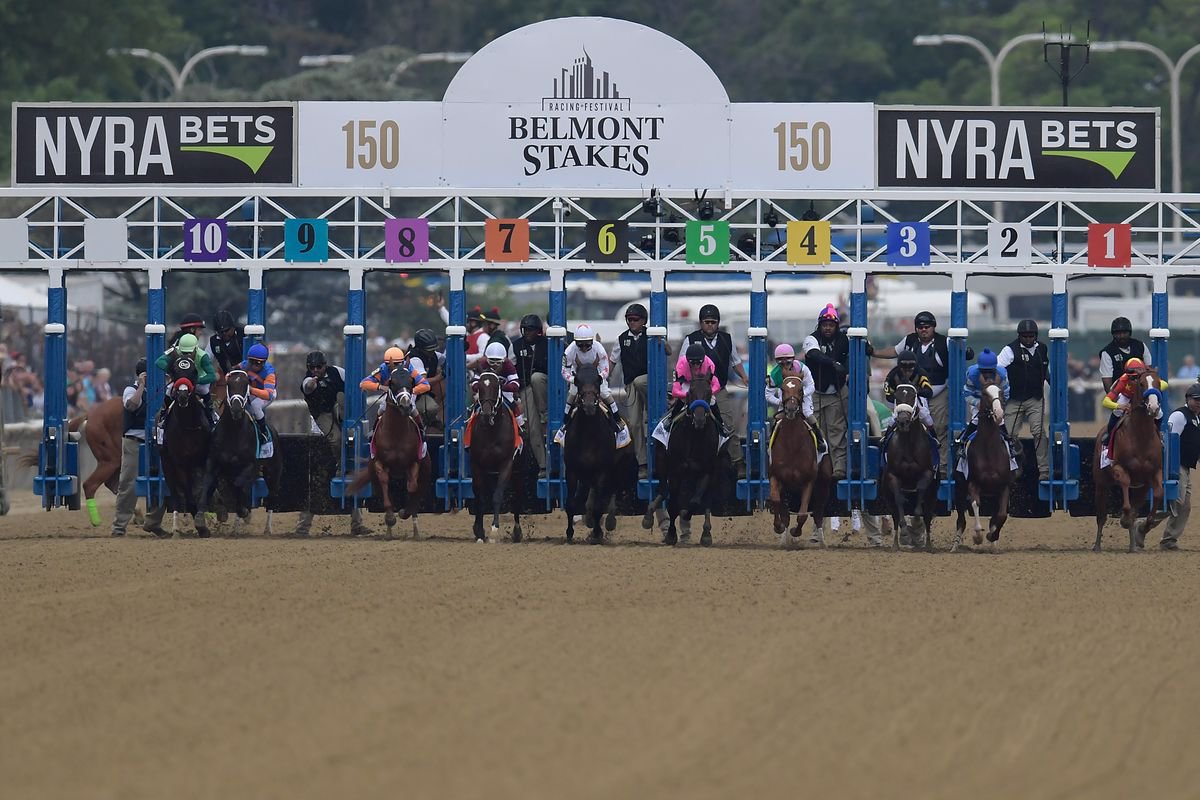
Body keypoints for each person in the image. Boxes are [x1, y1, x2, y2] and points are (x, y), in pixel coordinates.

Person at [295, 350, 370, 537]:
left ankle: (357, 524)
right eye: (312, 368)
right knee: (315, 482)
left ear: (325, 365)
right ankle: (302, 527)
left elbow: (354, 382)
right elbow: (308, 386)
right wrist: (313, 382)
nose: (316, 370)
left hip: (337, 417)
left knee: (351, 473)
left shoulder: (337, 372)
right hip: (320, 428)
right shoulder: (307, 381)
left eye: (319, 367)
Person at [682, 304, 748, 468]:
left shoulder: (727, 339)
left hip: (718, 389)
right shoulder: (690, 339)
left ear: (718, 323)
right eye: (707, 322)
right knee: (680, 420)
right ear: (701, 323)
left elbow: (735, 361)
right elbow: (682, 365)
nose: (710, 325)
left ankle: (737, 461)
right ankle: (680, 457)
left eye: (713, 322)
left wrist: (744, 377)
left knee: (728, 424)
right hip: (695, 390)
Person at [554, 325, 630, 448]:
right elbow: (564, 371)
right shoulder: (569, 351)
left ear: (592, 342)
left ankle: (618, 422)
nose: (584, 348)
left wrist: (599, 377)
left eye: (587, 345)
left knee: (606, 395)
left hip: (596, 376)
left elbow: (605, 368)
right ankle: (564, 425)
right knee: (572, 395)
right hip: (578, 376)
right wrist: (573, 379)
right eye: (580, 345)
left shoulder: (599, 348)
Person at [997, 320, 1050, 481]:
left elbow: (1046, 371)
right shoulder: (1009, 350)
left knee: (1038, 432)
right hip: (1014, 399)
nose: (1028, 339)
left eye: (1031, 336)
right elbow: (998, 369)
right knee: (1009, 434)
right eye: (1024, 336)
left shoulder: (1042, 349)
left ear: (1036, 336)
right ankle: (1017, 458)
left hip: (1035, 398)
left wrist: (1053, 383)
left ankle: (1044, 470)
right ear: (1019, 336)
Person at [113, 358, 160, 536]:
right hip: (134, 442)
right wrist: (141, 386)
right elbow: (131, 406)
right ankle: (119, 526)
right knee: (128, 483)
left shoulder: (159, 390)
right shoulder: (130, 390)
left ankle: (153, 522)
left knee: (162, 482)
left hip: (155, 442)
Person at [802, 304, 850, 479]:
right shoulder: (811, 339)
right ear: (819, 325)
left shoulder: (844, 339)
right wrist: (833, 363)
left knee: (837, 431)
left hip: (837, 393)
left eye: (831, 325)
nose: (828, 328)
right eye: (824, 325)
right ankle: (815, 467)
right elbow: (813, 353)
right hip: (815, 394)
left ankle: (839, 469)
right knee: (816, 431)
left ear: (836, 326)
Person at [961, 348, 1020, 467]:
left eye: (990, 371)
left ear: (995, 369)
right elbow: (967, 394)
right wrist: (978, 403)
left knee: (1000, 420)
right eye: (984, 372)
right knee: (976, 419)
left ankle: (1010, 447)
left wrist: (997, 404)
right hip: (979, 400)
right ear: (979, 369)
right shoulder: (972, 374)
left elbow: (1006, 394)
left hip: (995, 400)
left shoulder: (1002, 374)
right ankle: (963, 443)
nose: (987, 375)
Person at [611, 303, 650, 474]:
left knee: (640, 382)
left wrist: (662, 342)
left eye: (635, 319)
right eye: (629, 319)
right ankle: (642, 462)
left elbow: (668, 352)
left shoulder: (652, 335)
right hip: (630, 385)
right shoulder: (621, 339)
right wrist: (603, 379)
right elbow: (612, 361)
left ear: (644, 321)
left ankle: (650, 407)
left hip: (648, 382)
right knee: (634, 423)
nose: (632, 322)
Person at [360, 346, 431, 438]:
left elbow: (426, 385)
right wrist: (380, 386)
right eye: (390, 364)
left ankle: (421, 432)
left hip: (406, 393)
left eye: (398, 364)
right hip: (391, 394)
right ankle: (374, 431)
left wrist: (410, 391)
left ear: (402, 362)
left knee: (412, 408)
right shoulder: (383, 369)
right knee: (381, 408)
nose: (393, 366)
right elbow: (363, 384)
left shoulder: (409, 368)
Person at [1100, 358, 1168, 452]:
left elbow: (1165, 384)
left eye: (1137, 377)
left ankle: (1159, 434)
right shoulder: (1123, 381)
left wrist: (1152, 389)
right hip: (1126, 396)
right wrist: (1119, 406)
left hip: (1142, 395)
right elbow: (1105, 401)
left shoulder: (1147, 377)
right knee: (1117, 412)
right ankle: (1109, 434)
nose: (1135, 380)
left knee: (1159, 413)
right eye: (1132, 378)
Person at [1162, 383, 1200, 550]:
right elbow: (1169, 441)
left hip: (1186, 466)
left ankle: (1169, 540)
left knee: (1184, 506)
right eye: (1196, 399)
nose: (1199, 403)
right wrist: (1170, 468)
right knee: (1175, 503)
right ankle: (1142, 525)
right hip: (1176, 465)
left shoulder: (1196, 418)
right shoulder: (1179, 416)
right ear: (1188, 399)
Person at [765, 343, 823, 449]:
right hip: (785, 396)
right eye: (781, 361)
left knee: (808, 414)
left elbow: (811, 386)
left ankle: (820, 440)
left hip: (802, 395)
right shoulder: (774, 374)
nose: (784, 364)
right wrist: (779, 402)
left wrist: (800, 395)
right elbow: (768, 394)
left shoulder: (802, 368)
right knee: (778, 418)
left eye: (787, 361)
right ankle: (770, 443)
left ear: (793, 359)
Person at [154, 332, 218, 427]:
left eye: (189, 352)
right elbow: (159, 362)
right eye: (183, 352)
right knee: (169, 390)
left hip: (197, 381)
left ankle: (211, 415)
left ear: (196, 348)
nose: (186, 355)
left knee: (204, 390)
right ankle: (163, 415)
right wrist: (173, 371)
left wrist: (196, 380)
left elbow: (212, 376)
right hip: (179, 380)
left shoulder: (202, 356)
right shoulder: (174, 351)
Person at [513, 314, 549, 473]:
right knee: (533, 429)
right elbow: (511, 368)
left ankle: (544, 412)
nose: (528, 333)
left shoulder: (548, 344)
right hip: (525, 388)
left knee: (536, 377)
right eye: (525, 330)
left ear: (538, 331)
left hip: (546, 387)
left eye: (531, 330)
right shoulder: (516, 346)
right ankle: (543, 465)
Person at [472, 341, 526, 430]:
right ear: (487, 359)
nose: (495, 365)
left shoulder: (508, 365)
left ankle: (520, 426)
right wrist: (483, 387)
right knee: (476, 406)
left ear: (503, 360)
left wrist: (501, 387)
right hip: (486, 392)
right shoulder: (482, 364)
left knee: (513, 405)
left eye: (498, 362)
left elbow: (515, 383)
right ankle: (470, 423)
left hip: (503, 391)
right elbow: (474, 382)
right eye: (492, 362)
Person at [1099, 317, 1151, 393]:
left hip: (1141, 391)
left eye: (1125, 333)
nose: (1122, 336)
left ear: (1130, 333)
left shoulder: (1140, 346)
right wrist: (1113, 397)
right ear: (1113, 334)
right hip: (1121, 393)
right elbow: (1107, 380)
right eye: (1118, 334)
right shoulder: (1107, 353)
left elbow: (1149, 369)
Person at [239, 343, 278, 442]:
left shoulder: (269, 373)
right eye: (251, 361)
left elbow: (268, 395)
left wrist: (251, 390)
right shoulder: (244, 365)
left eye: (257, 363)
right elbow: (232, 372)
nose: (253, 365)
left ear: (264, 363)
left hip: (266, 394)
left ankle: (263, 431)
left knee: (255, 405)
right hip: (251, 392)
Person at [408, 328, 446, 428]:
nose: (432, 352)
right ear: (420, 349)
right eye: (429, 350)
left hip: (422, 393)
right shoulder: (415, 359)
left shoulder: (435, 355)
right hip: (410, 393)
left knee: (434, 407)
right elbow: (422, 382)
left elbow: (446, 359)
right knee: (430, 408)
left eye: (433, 349)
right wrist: (439, 377)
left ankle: (430, 422)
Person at [209, 309, 246, 376]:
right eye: (221, 332)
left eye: (227, 330)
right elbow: (208, 358)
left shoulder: (243, 333)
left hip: (247, 371)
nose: (224, 334)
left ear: (233, 327)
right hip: (228, 375)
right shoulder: (214, 341)